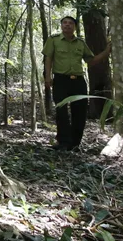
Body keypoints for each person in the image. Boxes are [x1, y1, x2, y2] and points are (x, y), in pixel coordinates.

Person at [43, 15, 112, 151]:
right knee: (61, 111)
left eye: (70, 23)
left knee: (79, 112)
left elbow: (91, 61)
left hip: (78, 81)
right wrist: (47, 76)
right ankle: (63, 142)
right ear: (61, 26)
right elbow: (48, 58)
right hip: (61, 80)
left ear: (74, 27)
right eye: (64, 23)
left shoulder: (80, 43)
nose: (67, 25)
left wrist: (106, 52)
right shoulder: (53, 40)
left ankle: (75, 144)